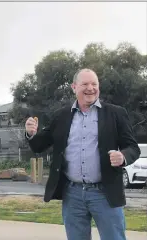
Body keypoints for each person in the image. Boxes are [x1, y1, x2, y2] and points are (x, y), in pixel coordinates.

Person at [25, 68, 140, 240]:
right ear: (74, 87)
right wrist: (31, 134)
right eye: (85, 84)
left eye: (94, 84)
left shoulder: (115, 113)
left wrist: (123, 156)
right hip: (73, 194)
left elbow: (133, 147)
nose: (90, 88)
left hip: (105, 193)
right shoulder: (61, 116)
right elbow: (39, 145)